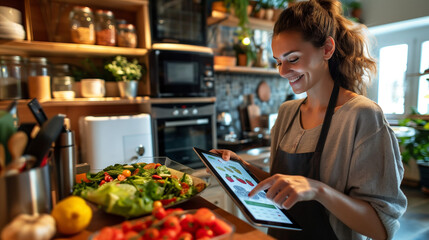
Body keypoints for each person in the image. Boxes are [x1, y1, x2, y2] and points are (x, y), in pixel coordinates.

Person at [210, 0, 407, 239]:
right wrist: (243, 168)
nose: (282, 71)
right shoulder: (287, 113)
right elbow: (283, 187)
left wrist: (317, 190)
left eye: (292, 59)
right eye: (278, 61)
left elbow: (380, 227)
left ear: (326, 49)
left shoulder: (362, 115)